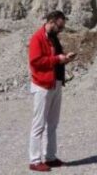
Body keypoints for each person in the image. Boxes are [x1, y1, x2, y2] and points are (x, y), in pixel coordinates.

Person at [27, 11, 76, 172]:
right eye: (60, 26)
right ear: (52, 21)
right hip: (42, 85)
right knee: (39, 124)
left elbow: (55, 58)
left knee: (53, 124)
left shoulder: (53, 38)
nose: (61, 29)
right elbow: (36, 61)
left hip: (55, 83)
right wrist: (57, 59)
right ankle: (34, 160)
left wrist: (65, 58)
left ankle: (50, 157)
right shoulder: (37, 38)